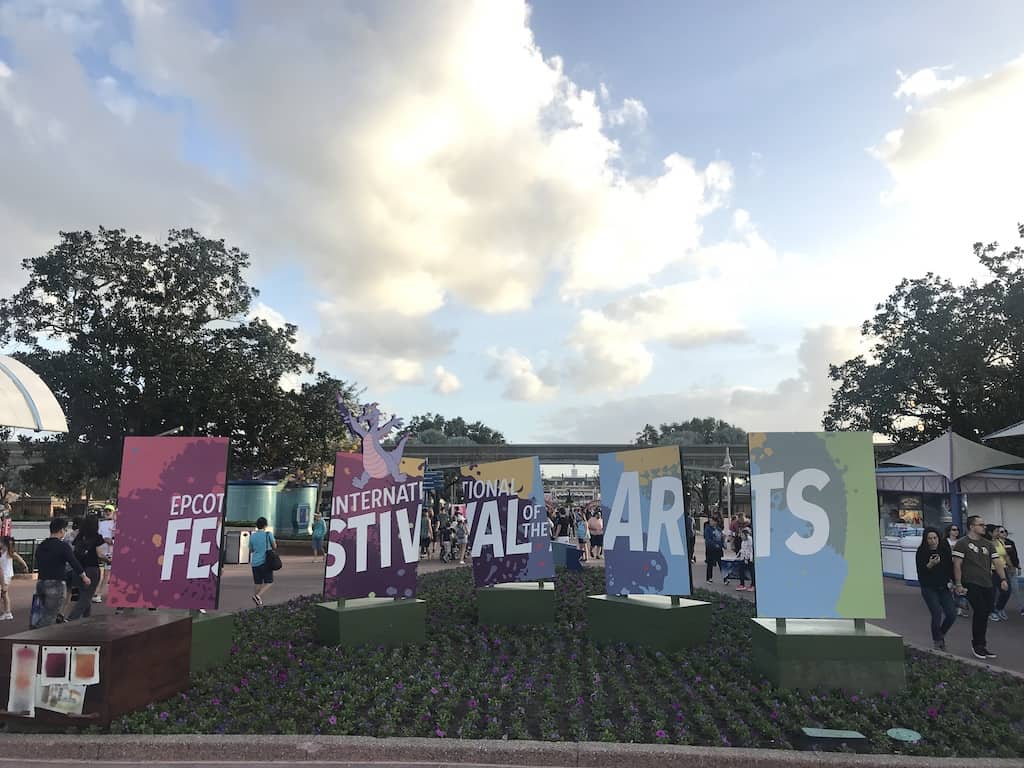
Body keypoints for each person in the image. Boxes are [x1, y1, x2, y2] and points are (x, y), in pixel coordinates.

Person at [952, 515, 1009, 659]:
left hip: (987, 582)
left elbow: (997, 562)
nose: (984, 527)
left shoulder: (988, 544)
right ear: (972, 526)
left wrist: (1003, 579)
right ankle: (978, 645)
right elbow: (957, 564)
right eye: (981, 524)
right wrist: (958, 583)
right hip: (971, 582)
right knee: (980, 610)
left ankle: (982, 645)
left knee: (986, 611)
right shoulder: (962, 543)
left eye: (984, 524)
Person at [33, 518, 89, 627]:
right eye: (65, 529)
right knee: (51, 614)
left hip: (41, 582)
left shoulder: (42, 545)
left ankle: (38, 634)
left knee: (43, 612)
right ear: (61, 530)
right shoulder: (62, 546)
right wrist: (84, 576)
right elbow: (73, 562)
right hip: (56, 582)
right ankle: (44, 638)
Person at [916, 527, 956, 649]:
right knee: (937, 613)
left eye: (935, 538)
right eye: (929, 538)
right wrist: (930, 565)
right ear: (925, 540)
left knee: (951, 614)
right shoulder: (921, 551)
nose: (933, 541)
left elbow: (950, 567)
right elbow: (921, 572)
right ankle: (937, 640)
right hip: (929, 587)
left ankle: (940, 633)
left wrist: (955, 582)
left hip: (944, 586)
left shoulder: (944, 549)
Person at [67, 515, 106, 620]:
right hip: (92, 568)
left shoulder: (79, 536)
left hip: (79, 569)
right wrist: (108, 559)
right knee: (87, 596)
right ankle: (71, 618)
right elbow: (100, 554)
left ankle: (86, 619)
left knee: (83, 593)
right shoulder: (97, 537)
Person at [988, 524, 1018, 621]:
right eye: (996, 531)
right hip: (992, 571)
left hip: (1003, 569)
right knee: (992, 593)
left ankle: (999, 608)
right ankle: (991, 612)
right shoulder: (987, 543)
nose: (998, 533)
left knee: (1006, 591)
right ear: (990, 533)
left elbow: (1005, 556)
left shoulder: (1000, 541)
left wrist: (1012, 566)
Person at [248, 517, 276, 607]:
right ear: (265, 525)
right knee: (269, 582)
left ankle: (257, 602)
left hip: (255, 562)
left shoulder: (252, 536)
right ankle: (257, 596)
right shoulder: (268, 534)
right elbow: (275, 546)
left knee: (257, 583)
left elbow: (251, 549)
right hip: (265, 562)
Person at [0, 537, 27, 620]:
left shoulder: (9, 553)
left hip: (6, 575)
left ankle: (8, 612)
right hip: (2, 575)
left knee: (4, 593)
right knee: (4, 594)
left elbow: (19, 558)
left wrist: (24, 566)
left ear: (4, 544)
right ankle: (7, 612)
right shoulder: (2, 552)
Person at [945, 524, 968, 617]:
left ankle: (960, 608)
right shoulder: (945, 542)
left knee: (959, 586)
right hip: (948, 566)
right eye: (953, 530)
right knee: (950, 587)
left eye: (957, 530)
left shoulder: (961, 542)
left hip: (959, 566)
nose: (956, 532)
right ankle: (950, 607)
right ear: (949, 531)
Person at [95, 505, 116, 603]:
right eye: (106, 511)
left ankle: (100, 594)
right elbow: (99, 536)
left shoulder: (116, 523)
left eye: (109, 511)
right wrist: (105, 540)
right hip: (105, 551)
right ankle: (99, 594)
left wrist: (112, 541)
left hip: (114, 551)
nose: (107, 512)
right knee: (106, 573)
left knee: (109, 574)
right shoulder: (101, 523)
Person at [704, 517, 724, 582]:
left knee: (721, 563)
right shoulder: (707, 529)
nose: (711, 522)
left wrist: (722, 544)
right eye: (710, 521)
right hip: (710, 549)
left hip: (718, 549)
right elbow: (707, 539)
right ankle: (709, 578)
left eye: (712, 521)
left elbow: (721, 538)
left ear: (716, 522)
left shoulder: (719, 529)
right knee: (710, 564)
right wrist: (714, 544)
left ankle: (725, 578)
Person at [736, 528, 755, 592]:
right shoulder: (743, 541)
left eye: (742, 535)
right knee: (740, 569)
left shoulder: (750, 540)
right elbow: (742, 549)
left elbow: (751, 550)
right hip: (744, 558)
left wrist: (750, 559)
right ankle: (742, 584)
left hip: (750, 558)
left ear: (745, 534)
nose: (741, 536)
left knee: (752, 571)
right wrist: (739, 555)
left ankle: (753, 585)